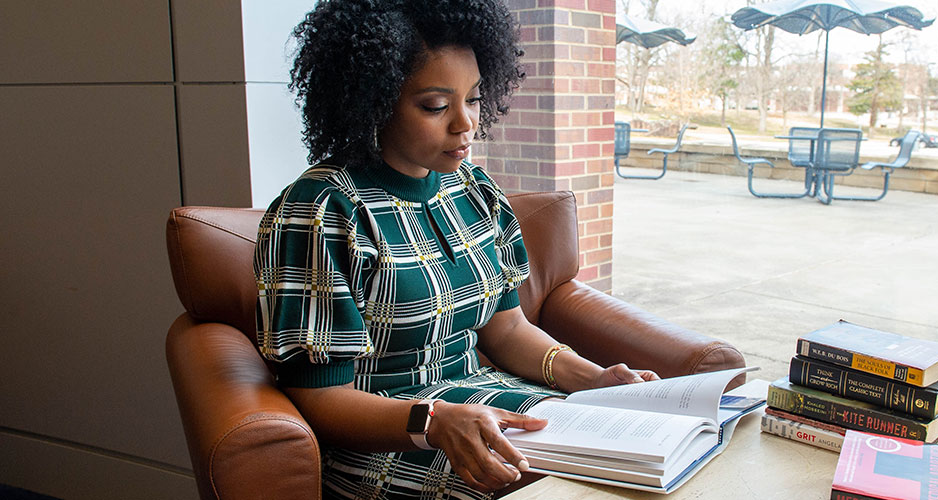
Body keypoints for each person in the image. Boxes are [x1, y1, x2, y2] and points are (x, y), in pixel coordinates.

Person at [253, 1, 658, 499]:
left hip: (481, 405)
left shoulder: (470, 190)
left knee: (626, 469)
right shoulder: (321, 212)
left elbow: (506, 329)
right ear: (374, 99)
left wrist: (593, 379)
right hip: (381, 438)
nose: (464, 124)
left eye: (474, 98)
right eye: (435, 106)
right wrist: (435, 420)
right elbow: (317, 397)